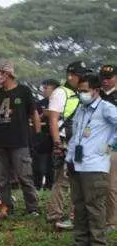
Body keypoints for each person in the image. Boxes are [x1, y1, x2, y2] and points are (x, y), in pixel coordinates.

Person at [0, 61, 42, 219]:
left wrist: (37, 134)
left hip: (19, 141)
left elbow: (34, 114)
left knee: (24, 176)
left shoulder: (24, 91)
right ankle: (6, 207)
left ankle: (32, 208)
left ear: (8, 74)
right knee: (1, 178)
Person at [64, 74, 117, 246]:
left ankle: (97, 245)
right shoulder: (81, 109)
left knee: (94, 206)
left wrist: (110, 145)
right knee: (78, 206)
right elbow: (75, 138)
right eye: (79, 91)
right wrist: (68, 159)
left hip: (95, 165)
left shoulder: (106, 108)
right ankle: (80, 242)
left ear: (96, 90)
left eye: (85, 91)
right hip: (77, 164)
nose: (81, 94)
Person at [46, 61, 86, 230]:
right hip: (63, 141)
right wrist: (57, 144)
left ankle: (73, 214)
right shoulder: (61, 92)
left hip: (77, 142)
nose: (82, 78)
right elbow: (53, 119)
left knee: (77, 178)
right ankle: (55, 214)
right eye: (80, 75)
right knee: (62, 179)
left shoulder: (80, 93)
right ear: (71, 76)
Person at [99, 65, 117, 232]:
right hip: (99, 146)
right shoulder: (98, 96)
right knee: (101, 185)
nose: (105, 80)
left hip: (113, 147)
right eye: (103, 77)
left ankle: (111, 222)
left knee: (111, 185)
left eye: (109, 77)